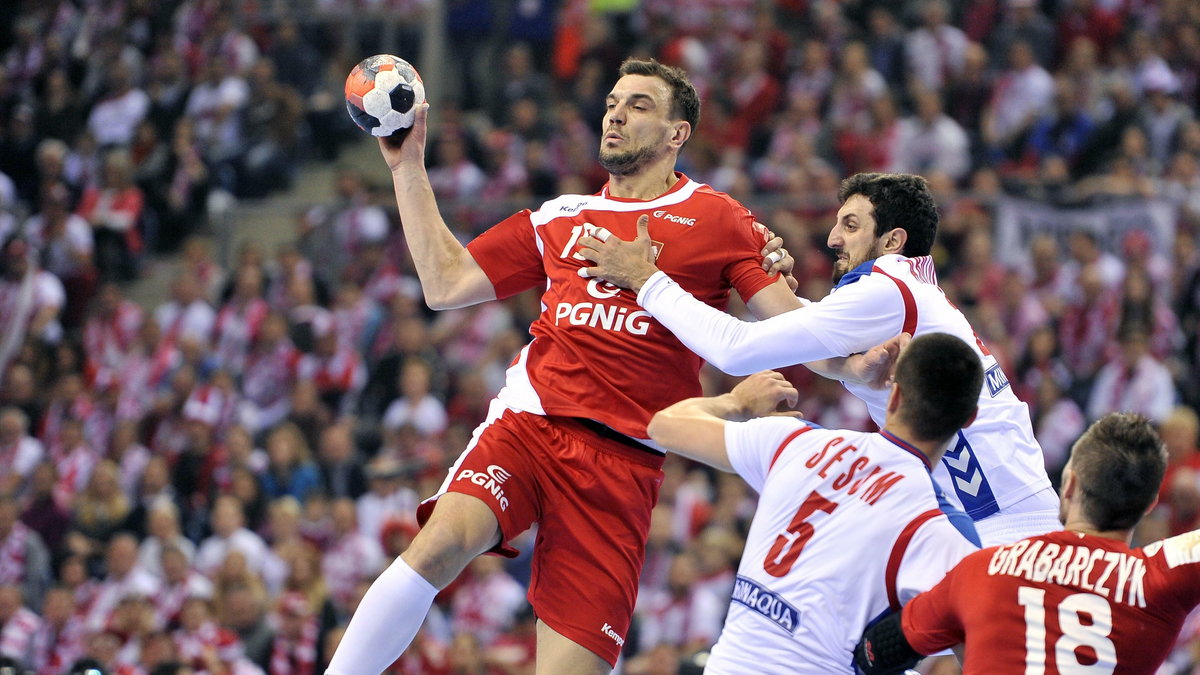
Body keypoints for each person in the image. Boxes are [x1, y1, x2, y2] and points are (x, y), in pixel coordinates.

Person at [326, 58, 887, 674]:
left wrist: (857, 368)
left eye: (639, 105)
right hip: (532, 424)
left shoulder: (718, 218)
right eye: (612, 103)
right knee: (442, 543)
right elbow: (445, 282)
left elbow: (789, 324)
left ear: (678, 134)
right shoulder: (560, 216)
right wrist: (407, 167)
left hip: (624, 466)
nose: (616, 113)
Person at [580, 172, 1058, 545]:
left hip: (1006, 526)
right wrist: (780, 304)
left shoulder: (886, 289)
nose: (832, 238)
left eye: (850, 225)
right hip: (983, 516)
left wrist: (646, 280)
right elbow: (824, 348)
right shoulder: (908, 290)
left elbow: (735, 350)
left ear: (891, 241)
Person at [645, 332, 982, 673]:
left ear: (894, 395)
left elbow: (664, 425)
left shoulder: (796, 441)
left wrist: (735, 402)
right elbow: (981, 657)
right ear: (969, 418)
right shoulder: (944, 530)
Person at [855, 412, 1190, 674]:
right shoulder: (1157, 579)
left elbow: (878, 651)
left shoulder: (981, 569)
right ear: (1149, 505)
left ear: (1069, 484)